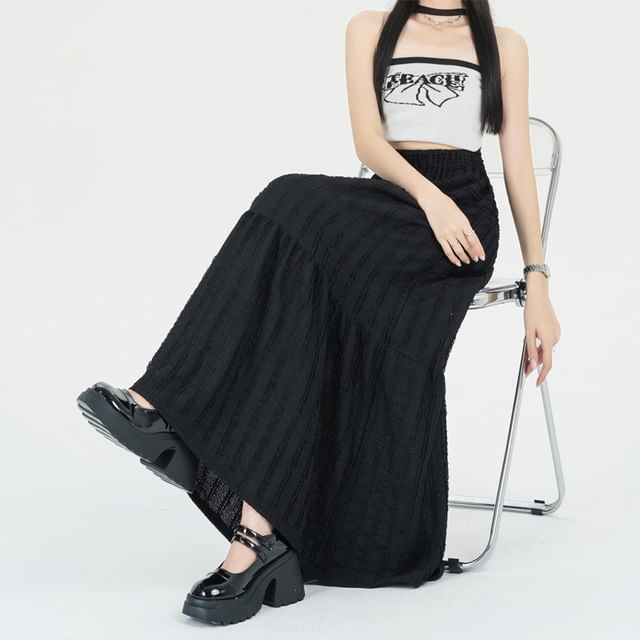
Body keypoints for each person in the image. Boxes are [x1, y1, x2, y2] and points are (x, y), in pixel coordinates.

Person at [76, 0, 561, 627]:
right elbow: (369, 142)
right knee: (293, 274)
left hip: (459, 226)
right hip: (397, 204)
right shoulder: (370, 28)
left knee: (290, 204)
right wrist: (426, 196)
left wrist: (537, 280)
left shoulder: (504, 43)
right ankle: (255, 534)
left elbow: (517, 163)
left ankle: (174, 424)